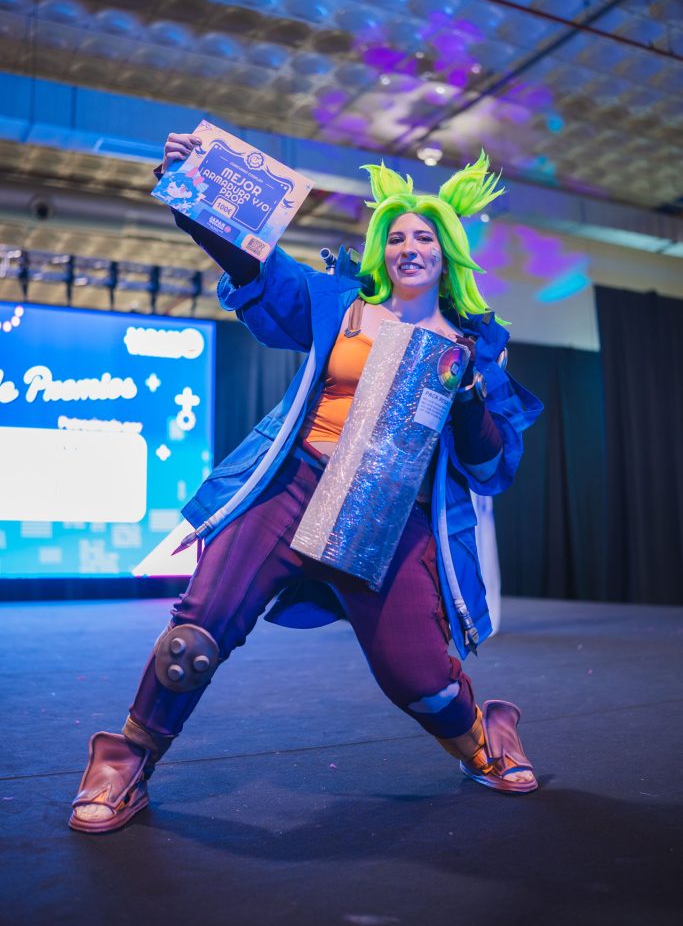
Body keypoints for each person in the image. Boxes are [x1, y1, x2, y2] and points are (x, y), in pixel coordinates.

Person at [69, 136, 543, 834]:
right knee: (194, 636)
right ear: (380, 250)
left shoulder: (472, 347)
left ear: (446, 252)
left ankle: (483, 739)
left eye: (424, 237)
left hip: (391, 515)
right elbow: (254, 263)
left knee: (421, 681)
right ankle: (125, 759)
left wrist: (469, 393)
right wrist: (194, 190)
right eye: (395, 236)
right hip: (292, 489)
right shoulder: (339, 303)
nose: (408, 247)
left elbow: (489, 465)